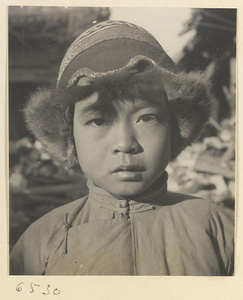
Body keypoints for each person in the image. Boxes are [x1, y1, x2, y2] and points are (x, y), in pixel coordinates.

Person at [10, 20, 234, 276]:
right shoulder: (40, 244)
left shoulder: (218, 231)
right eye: (98, 120)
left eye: (146, 118)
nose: (125, 144)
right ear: (69, 136)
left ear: (174, 129)